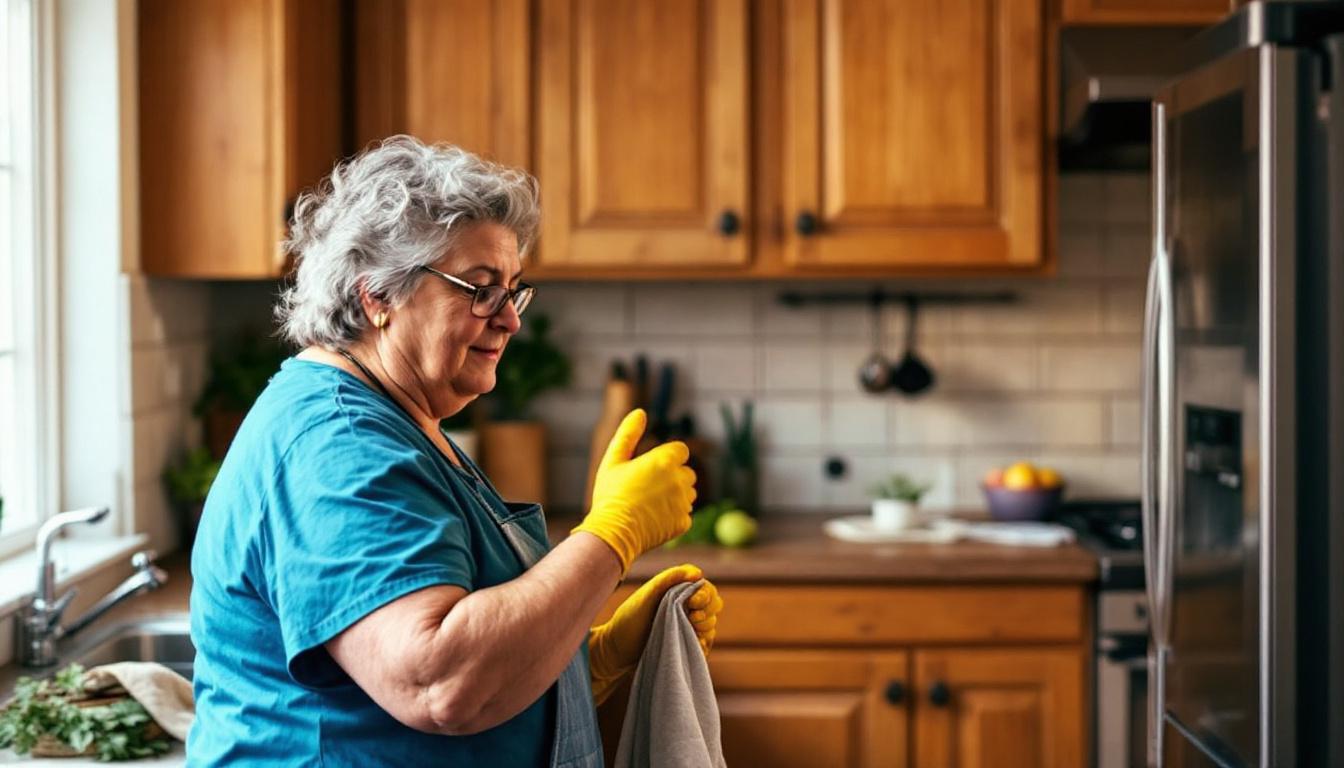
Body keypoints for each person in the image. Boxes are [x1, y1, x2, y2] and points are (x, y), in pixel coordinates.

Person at [187, 136, 723, 766]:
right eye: (479, 287)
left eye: (513, 289)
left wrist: (590, 657)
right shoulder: (338, 445)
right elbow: (438, 682)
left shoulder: (400, 418)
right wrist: (611, 537)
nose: (509, 319)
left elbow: (459, 656)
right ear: (378, 296)